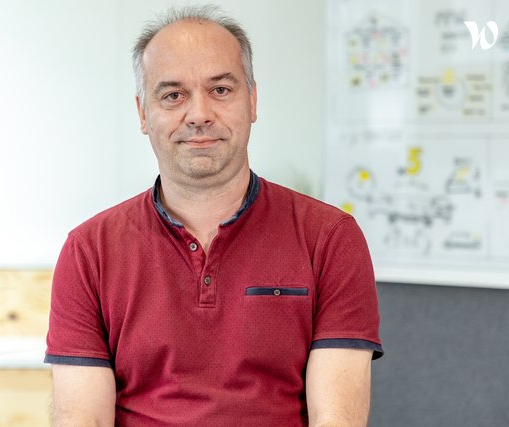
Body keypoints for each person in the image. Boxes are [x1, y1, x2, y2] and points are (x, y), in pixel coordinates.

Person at [45, 4, 383, 426]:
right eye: (173, 95)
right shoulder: (89, 251)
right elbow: (83, 419)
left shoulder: (329, 238)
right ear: (143, 113)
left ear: (252, 100)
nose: (199, 114)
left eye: (220, 90)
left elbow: (336, 420)